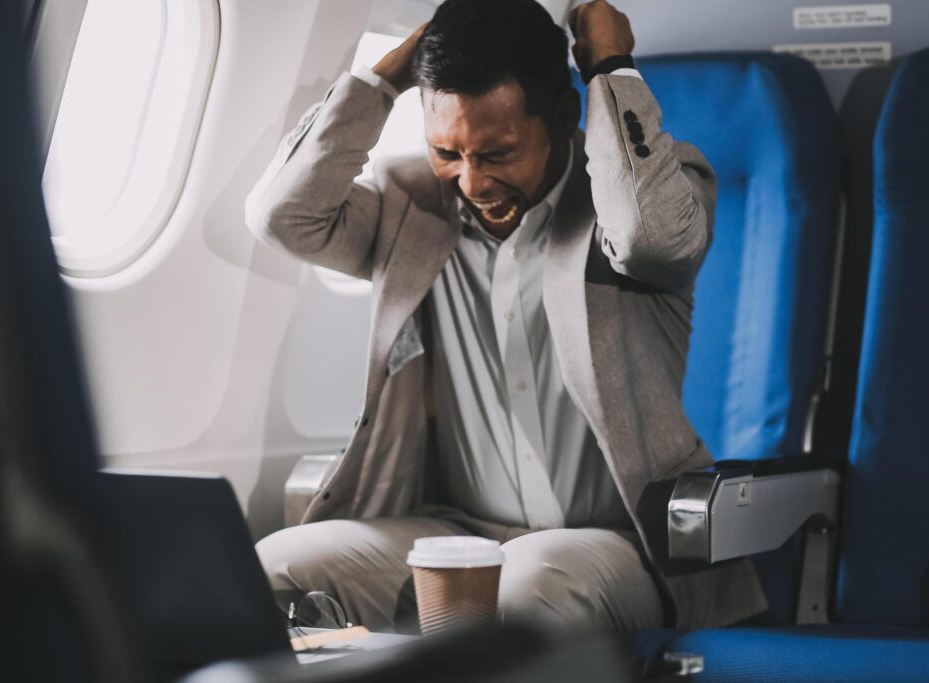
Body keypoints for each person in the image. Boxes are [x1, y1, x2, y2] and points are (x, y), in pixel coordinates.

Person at [247, 0, 765, 633]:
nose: (472, 182)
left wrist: (609, 67)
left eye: (497, 154)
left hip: (615, 541)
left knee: (526, 595)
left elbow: (651, 236)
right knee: (275, 568)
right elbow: (282, 217)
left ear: (564, 115)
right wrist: (384, 79)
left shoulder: (639, 201)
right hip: (455, 530)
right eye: (448, 152)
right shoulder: (412, 204)